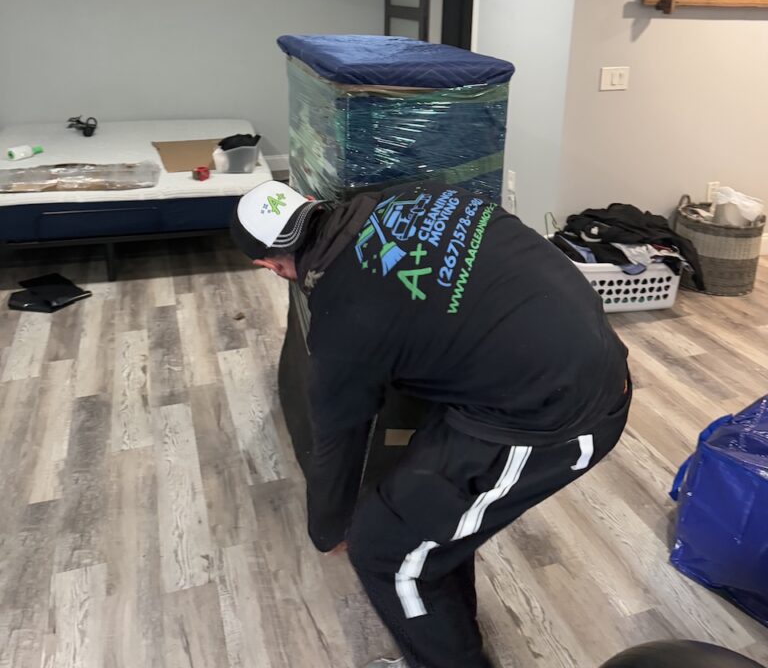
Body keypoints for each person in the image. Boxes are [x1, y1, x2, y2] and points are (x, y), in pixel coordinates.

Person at [231, 179, 631, 668]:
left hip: (557, 417)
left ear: (269, 265)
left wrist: (327, 527)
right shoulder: (415, 194)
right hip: (575, 352)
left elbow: (338, 437)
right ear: (313, 206)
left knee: (383, 552)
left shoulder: (342, 322)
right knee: (425, 520)